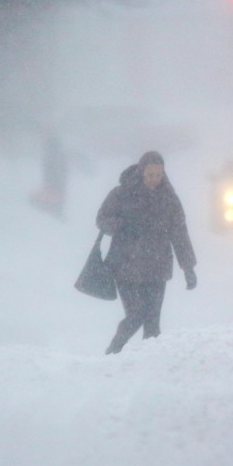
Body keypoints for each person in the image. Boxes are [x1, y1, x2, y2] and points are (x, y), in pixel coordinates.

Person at [96, 151, 197, 354]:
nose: (155, 179)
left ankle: (150, 366)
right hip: (126, 267)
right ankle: (112, 352)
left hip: (156, 268)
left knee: (152, 325)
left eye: (159, 175)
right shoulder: (122, 193)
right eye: (151, 175)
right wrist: (120, 225)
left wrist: (188, 268)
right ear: (141, 172)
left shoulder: (168, 199)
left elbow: (179, 233)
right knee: (136, 315)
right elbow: (102, 219)